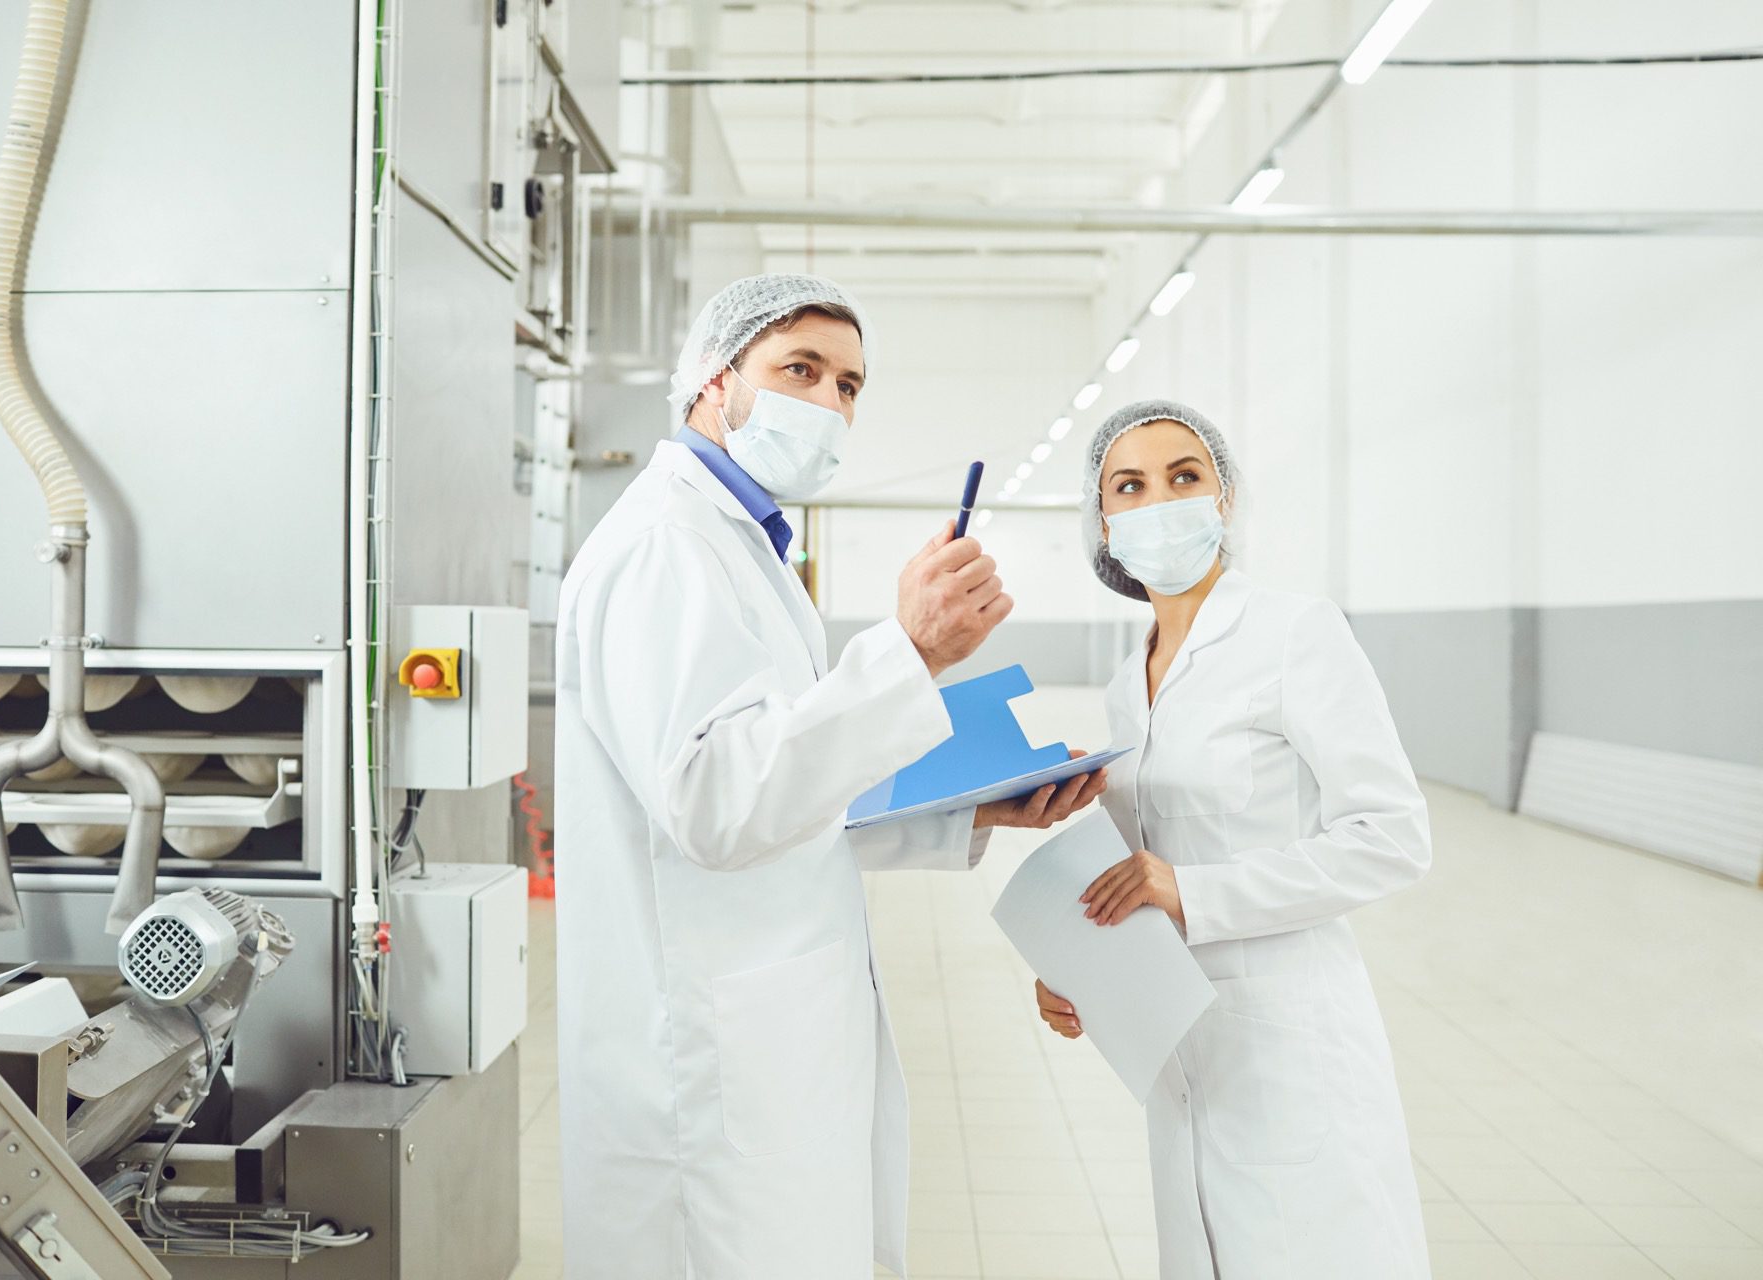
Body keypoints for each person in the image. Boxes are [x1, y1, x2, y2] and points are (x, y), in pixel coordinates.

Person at [554, 273, 1108, 1279]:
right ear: (716, 380)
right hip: (707, 1059)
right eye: (798, 368)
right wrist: (908, 650)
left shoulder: (747, 549)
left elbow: (791, 784)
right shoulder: (663, 548)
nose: (828, 402)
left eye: (849, 384)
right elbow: (715, 804)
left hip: (771, 1031)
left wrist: (965, 806)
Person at [1032, 400, 1432, 1278]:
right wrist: (1076, 964)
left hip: (1290, 1034)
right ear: (1105, 523)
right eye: (1129, 486)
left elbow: (1392, 834)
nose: (1159, 500)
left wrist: (1196, 892)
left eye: (1185, 476)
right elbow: (1135, 872)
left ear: (1225, 497)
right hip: (1177, 1035)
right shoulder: (1125, 684)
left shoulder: (1297, 632)